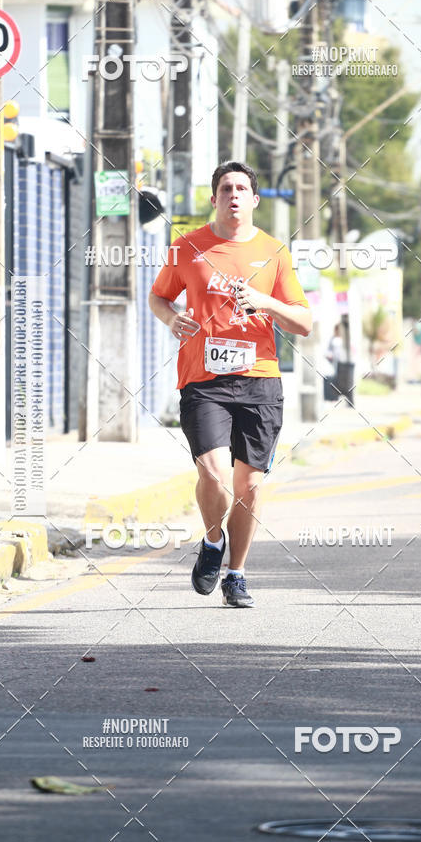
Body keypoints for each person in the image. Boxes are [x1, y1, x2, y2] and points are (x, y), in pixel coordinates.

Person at [148, 160, 312, 607]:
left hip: (260, 378)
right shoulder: (187, 247)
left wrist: (264, 301)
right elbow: (159, 295)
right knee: (215, 473)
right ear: (215, 197)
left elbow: (304, 322)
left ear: (254, 200)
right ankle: (213, 540)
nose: (234, 195)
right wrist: (171, 318)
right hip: (203, 380)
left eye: (242, 188)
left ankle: (236, 574)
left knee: (250, 484)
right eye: (226, 188)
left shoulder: (275, 252)